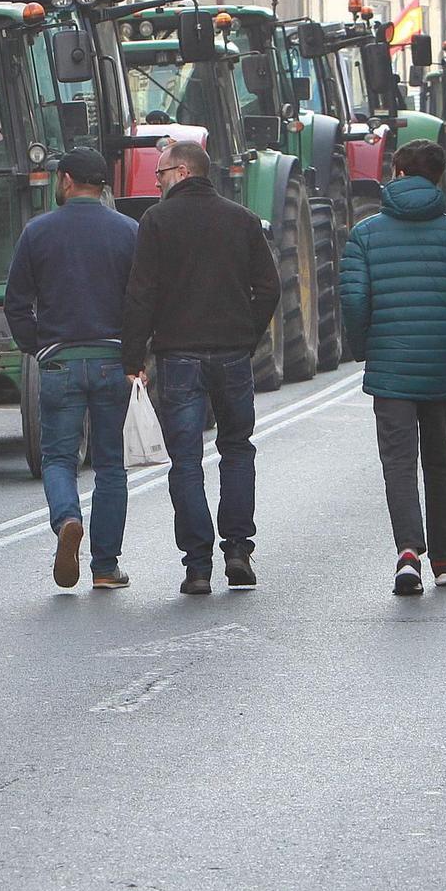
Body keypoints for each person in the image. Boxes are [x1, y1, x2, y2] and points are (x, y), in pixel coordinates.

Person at [121, 139, 278, 595]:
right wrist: (247, 335)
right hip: (232, 353)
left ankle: (197, 566)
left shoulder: (157, 221)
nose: (157, 181)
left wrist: (134, 357)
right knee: (237, 448)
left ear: (183, 173)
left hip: (179, 357)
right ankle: (238, 551)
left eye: (162, 172)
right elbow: (268, 288)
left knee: (186, 460)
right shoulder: (242, 220)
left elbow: (141, 294)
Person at [340, 140, 446, 596]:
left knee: (399, 464)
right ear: (440, 178)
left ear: (399, 174)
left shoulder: (365, 234)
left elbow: (353, 298)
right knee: (440, 462)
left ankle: (409, 553)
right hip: (443, 370)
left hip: (391, 373)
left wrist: (366, 346)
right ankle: (445, 559)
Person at [5, 147, 142, 590]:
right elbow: (142, 302)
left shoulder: (37, 232)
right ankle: (105, 567)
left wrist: (37, 347)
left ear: (65, 180)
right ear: (102, 185)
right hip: (112, 360)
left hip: (59, 361)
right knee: (110, 465)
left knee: (60, 458)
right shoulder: (128, 232)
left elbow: (16, 303)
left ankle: (67, 520)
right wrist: (136, 356)